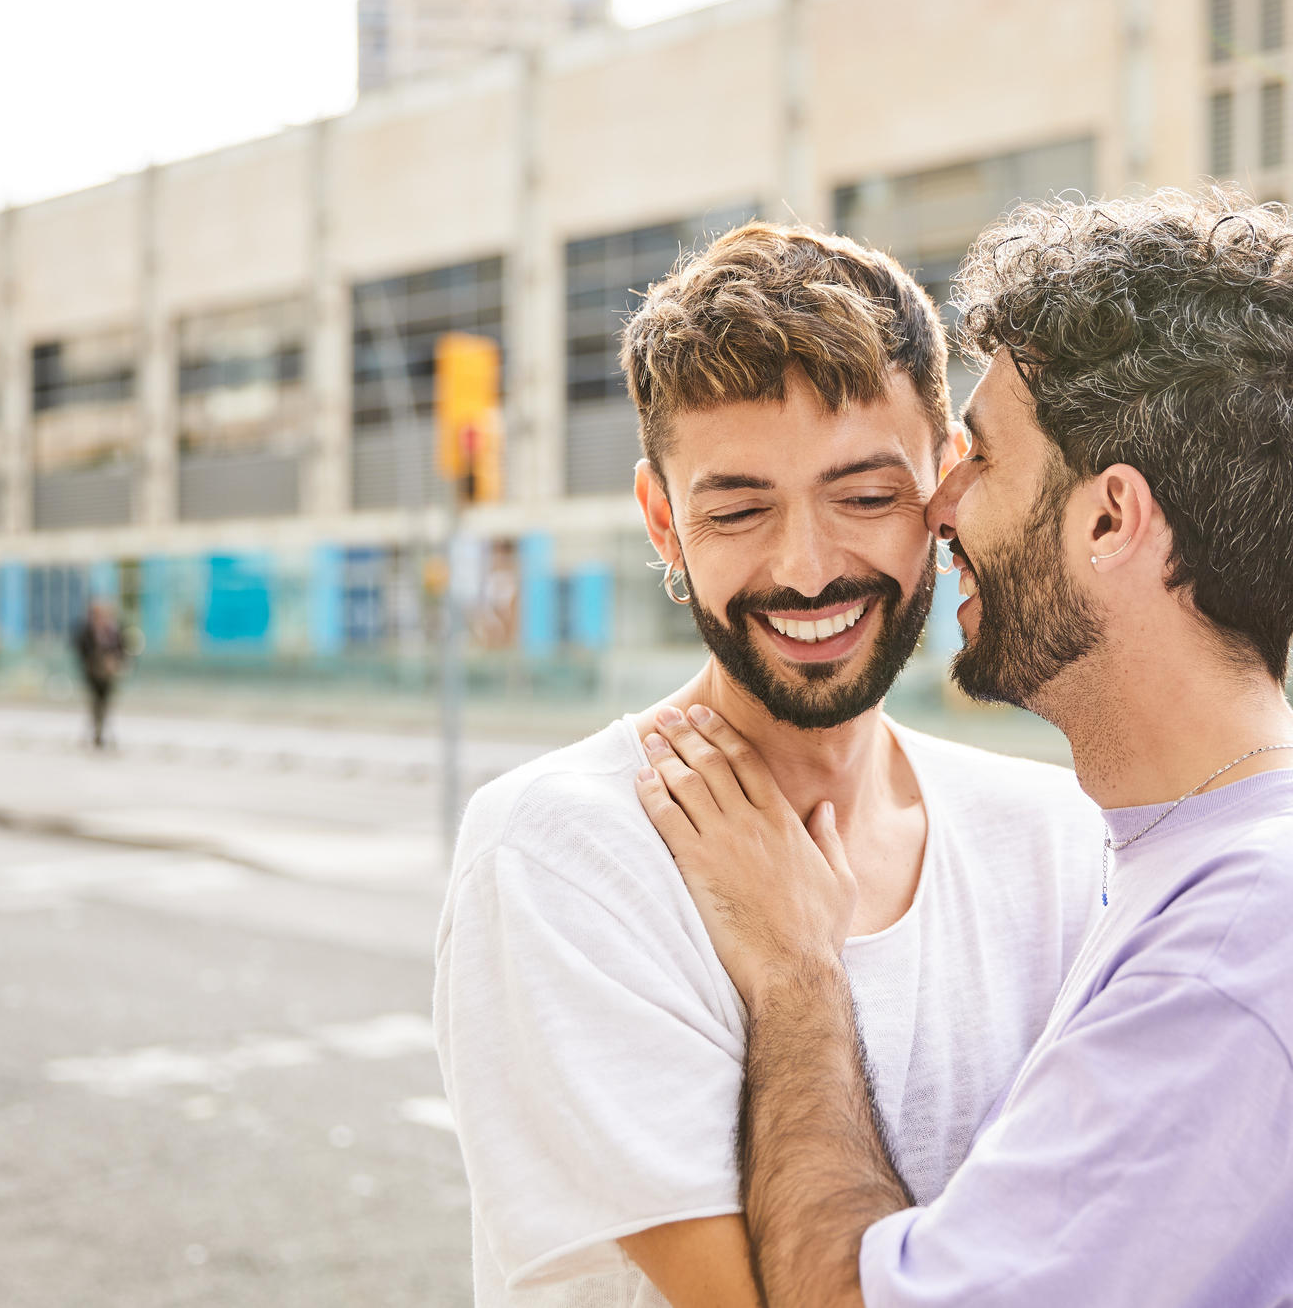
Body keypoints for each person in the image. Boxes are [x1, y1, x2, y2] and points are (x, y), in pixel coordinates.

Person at [637, 191, 1293, 1308]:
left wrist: (800, 979)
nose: (939, 503)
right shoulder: (1260, 867)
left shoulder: (1246, 938)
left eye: (981, 458)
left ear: (1109, 518)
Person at [432, 222, 1103, 1308]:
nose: (806, 569)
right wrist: (797, 977)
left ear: (945, 480)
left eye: (867, 497)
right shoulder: (563, 849)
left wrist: (798, 965)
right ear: (663, 518)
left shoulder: (1055, 835)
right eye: (739, 509)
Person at [71, 598, 128, 749]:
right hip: (93, 673)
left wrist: (116, 662)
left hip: (109, 673)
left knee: (104, 703)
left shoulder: (114, 630)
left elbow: (122, 648)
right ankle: (97, 733)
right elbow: (80, 649)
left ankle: (100, 733)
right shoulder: (87, 630)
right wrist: (94, 661)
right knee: (96, 703)